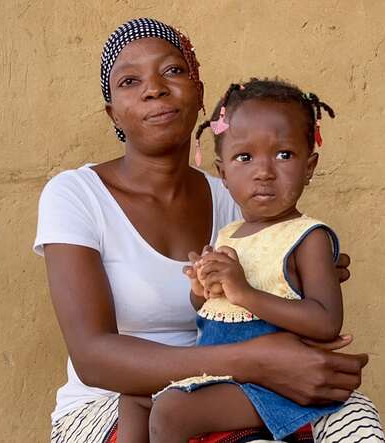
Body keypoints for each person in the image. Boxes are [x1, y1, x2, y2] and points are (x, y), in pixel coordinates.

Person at [34, 18, 384, 443]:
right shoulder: (76, 195)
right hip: (112, 401)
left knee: (353, 417)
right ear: (113, 114)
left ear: (200, 92)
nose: (154, 89)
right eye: (130, 81)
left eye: (172, 71)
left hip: (229, 388)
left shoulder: (238, 198)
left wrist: (305, 271)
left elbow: (288, 282)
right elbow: (93, 358)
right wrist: (258, 362)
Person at [118, 79, 350, 442]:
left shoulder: (309, 237)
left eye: (284, 155)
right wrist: (202, 289)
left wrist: (244, 292)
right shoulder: (229, 233)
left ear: (310, 165)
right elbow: (216, 311)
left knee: (171, 412)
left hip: (271, 387)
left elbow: (326, 322)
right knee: (133, 397)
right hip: (220, 373)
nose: (264, 172)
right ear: (223, 172)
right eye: (245, 157)